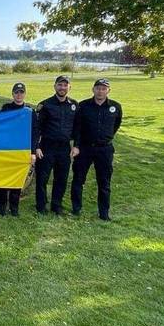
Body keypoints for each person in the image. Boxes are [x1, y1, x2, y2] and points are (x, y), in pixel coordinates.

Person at [70, 78, 123, 221]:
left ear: (108, 91)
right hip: (85, 148)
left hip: (104, 150)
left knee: (104, 182)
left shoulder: (115, 107)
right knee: (78, 179)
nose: (100, 91)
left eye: (104, 88)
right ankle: (76, 208)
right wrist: (77, 145)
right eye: (98, 88)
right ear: (93, 89)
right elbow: (78, 128)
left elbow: (116, 125)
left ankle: (104, 212)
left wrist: (106, 137)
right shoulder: (83, 106)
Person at [35, 75, 79, 215]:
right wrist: (36, 146)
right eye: (60, 85)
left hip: (64, 148)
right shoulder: (45, 105)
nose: (62, 88)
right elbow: (37, 128)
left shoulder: (74, 105)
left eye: (65, 85)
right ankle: (41, 205)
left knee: (61, 178)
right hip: (47, 147)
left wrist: (76, 145)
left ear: (69, 87)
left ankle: (56, 205)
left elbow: (78, 128)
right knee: (42, 178)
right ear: (55, 86)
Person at [0, 82, 39, 216]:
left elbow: (35, 133)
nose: (19, 95)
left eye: (21, 92)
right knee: (3, 180)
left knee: (17, 180)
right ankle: (2, 208)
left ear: (25, 94)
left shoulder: (29, 111)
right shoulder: (6, 109)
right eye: (16, 92)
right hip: (6, 150)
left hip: (22, 151)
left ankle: (14, 208)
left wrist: (33, 152)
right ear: (12, 94)